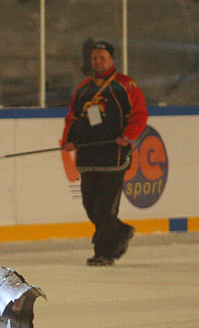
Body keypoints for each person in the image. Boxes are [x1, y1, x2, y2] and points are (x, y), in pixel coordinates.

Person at [61, 41, 148, 266]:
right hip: (88, 157)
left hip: (113, 156)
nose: (98, 62)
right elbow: (73, 118)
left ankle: (104, 252)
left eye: (102, 58)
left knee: (104, 208)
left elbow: (140, 115)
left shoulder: (127, 85)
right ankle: (121, 231)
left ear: (112, 60)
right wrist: (69, 140)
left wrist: (128, 136)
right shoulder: (83, 89)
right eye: (94, 58)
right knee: (90, 207)